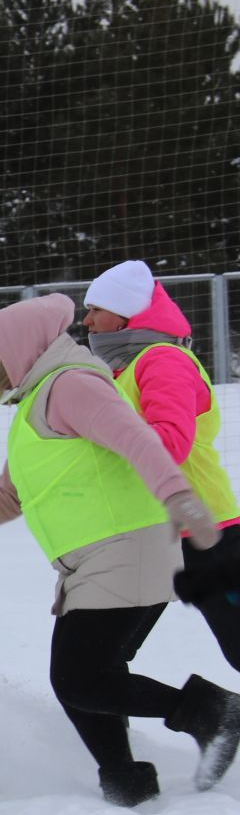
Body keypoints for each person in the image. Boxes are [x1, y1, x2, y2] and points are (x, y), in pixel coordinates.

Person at [0, 292, 240, 807]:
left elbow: (139, 440)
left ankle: (209, 712)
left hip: (127, 547)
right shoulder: (38, 400)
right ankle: (125, 779)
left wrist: (179, 497)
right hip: (91, 557)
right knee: (89, 676)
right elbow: (7, 497)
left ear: (21, 344)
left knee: (79, 678)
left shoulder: (72, 384)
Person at [80, 260, 240, 656]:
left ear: (125, 313)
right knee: (97, 660)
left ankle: (219, 718)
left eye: (96, 309)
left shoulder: (163, 360)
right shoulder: (128, 366)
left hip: (205, 533)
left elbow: (169, 443)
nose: (86, 321)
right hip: (150, 533)